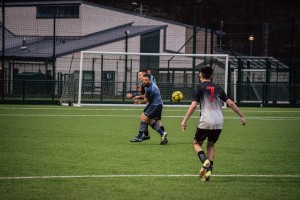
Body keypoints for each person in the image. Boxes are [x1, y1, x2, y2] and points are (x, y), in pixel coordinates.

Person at [181, 66, 246, 181]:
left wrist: (184, 120)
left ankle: (205, 161)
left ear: (200, 75)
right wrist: (242, 116)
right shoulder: (218, 88)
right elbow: (230, 103)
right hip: (219, 121)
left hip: (206, 119)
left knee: (196, 143)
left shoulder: (199, 87)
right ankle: (209, 171)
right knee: (210, 145)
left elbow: (194, 105)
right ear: (211, 76)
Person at [130, 73, 168, 145]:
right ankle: (162, 134)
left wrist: (139, 102)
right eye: (143, 80)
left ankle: (139, 137)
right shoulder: (146, 85)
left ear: (150, 80)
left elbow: (145, 100)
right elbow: (146, 95)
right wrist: (138, 96)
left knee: (143, 118)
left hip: (156, 105)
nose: (144, 81)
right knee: (150, 121)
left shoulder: (150, 88)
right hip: (155, 104)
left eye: (146, 80)